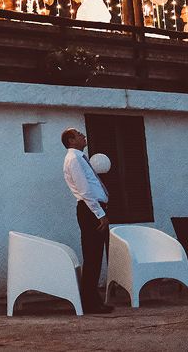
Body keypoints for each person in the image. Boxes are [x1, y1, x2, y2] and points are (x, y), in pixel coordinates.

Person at [61, 127, 113, 314]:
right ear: (71, 140)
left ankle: (93, 300)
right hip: (90, 210)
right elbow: (84, 190)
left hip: (93, 209)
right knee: (92, 257)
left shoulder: (80, 158)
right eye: (79, 135)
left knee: (96, 257)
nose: (84, 136)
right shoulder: (74, 159)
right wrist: (100, 214)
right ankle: (89, 303)